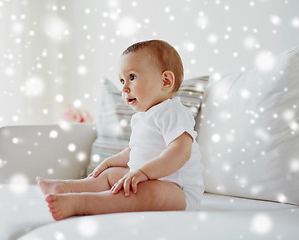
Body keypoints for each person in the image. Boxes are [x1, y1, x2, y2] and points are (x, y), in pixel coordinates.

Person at [37, 40, 204, 220]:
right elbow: (135, 151)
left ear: (165, 81)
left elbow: (180, 150)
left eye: (132, 77)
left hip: (178, 190)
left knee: (146, 192)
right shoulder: (141, 117)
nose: (124, 88)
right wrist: (111, 162)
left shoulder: (172, 111)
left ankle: (81, 203)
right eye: (122, 80)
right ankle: (66, 188)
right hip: (145, 179)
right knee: (110, 176)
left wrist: (143, 173)